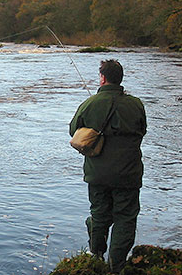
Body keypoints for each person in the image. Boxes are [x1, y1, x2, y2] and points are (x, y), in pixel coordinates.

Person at [69, 59, 147, 274]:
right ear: (120, 78)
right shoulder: (136, 104)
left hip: (97, 174)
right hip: (128, 174)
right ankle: (116, 265)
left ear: (102, 78)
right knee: (125, 217)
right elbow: (143, 130)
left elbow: (73, 131)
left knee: (99, 215)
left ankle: (96, 256)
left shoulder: (90, 103)